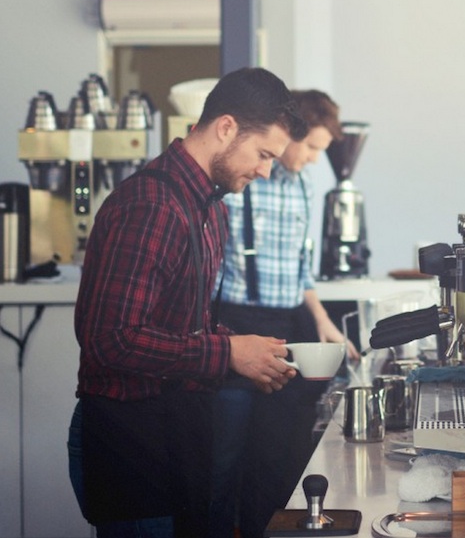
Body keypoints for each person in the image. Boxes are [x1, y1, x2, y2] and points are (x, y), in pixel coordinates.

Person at [71, 67, 308, 537]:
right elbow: (109, 340)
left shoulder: (211, 209)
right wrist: (228, 353)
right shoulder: (152, 203)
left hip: (177, 437)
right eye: (262, 155)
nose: (265, 171)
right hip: (129, 446)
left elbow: (181, 330)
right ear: (225, 128)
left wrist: (244, 356)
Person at [210, 89, 360, 538]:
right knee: (224, 454)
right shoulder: (241, 179)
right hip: (234, 326)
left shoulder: (302, 184)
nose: (315, 159)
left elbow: (301, 270)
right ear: (289, 135)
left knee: (275, 453)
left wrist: (323, 323)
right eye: (311, 147)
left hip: (284, 327)